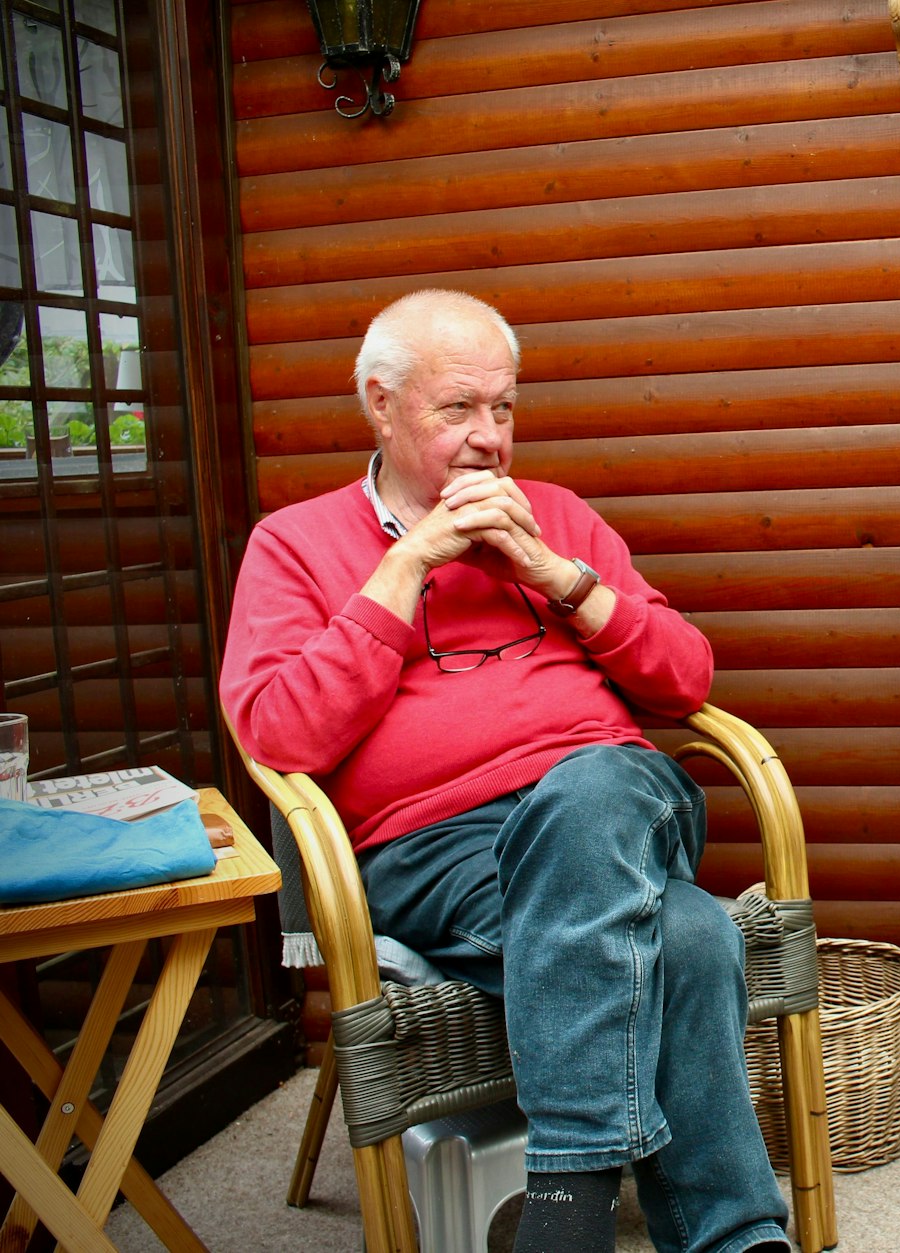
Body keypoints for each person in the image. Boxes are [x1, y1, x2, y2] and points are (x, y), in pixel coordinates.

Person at [220, 290, 790, 1253]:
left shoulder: (559, 518)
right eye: (458, 410)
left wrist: (555, 574)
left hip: (621, 805)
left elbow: (685, 676)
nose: (489, 438)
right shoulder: (295, 545)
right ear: (380, 405)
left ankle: (565, 1201)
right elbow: (277, 736)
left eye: (506, 408)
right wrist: (407, 569)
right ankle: (739, 1240)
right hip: (435, 851)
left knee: (594, 785)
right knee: (690, 935)